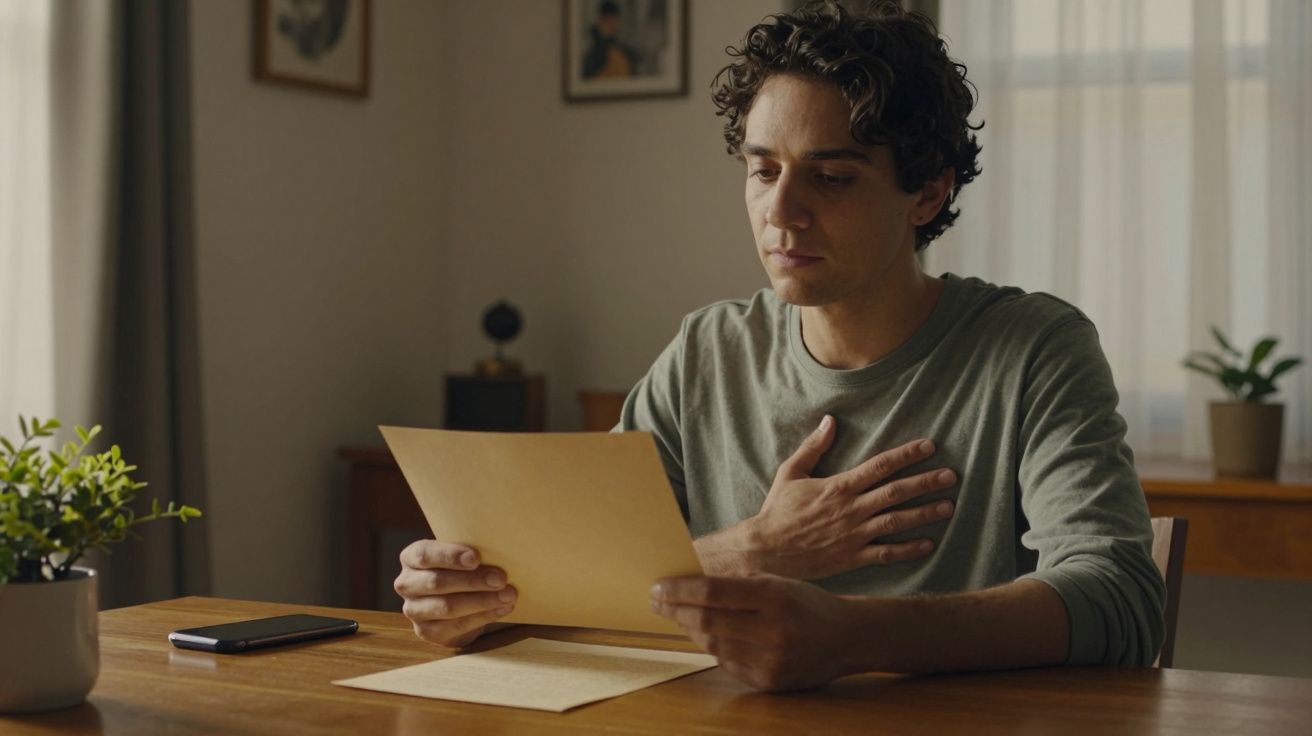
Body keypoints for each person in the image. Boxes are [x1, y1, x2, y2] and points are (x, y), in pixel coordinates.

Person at [394, 0, 1166, 691]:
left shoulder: (1034, 348)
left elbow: (1123, 599)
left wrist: (852, 638)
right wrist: (479, 600)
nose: (781, 212)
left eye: (830, 178)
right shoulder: (706, 351)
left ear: (928, 191)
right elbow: (588, 574)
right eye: (763, 171)